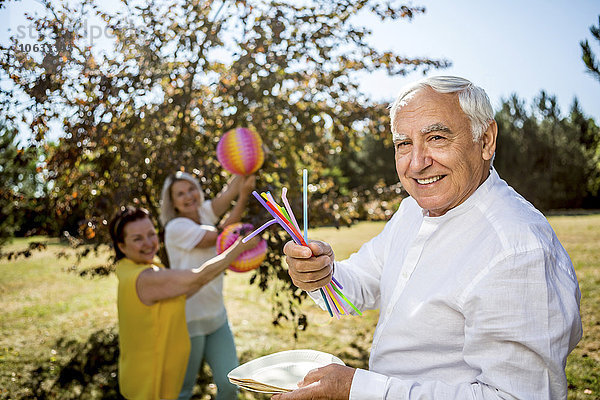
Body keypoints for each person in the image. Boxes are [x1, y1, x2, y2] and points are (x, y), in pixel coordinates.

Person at [279, 76, 582, 400]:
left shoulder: (516, 250)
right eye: (403, 144)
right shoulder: (412, 210)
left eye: (436, 137)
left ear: (486, 139)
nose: (417, 163)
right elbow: (363, 282)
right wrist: (321, 273)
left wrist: (356, 388)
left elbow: (515, 396)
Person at [109, 206, 259, 400]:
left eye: (151, 234)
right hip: (150, 381)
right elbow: (197, 278)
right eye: (137, 239)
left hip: (148, 372)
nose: (148, 243)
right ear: (121, 246)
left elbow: (185, 290)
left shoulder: (130, 268)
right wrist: (239, 247)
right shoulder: (145, 277)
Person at [160, 171, 256, 400]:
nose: (188, 196)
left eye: (191, 189)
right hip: (187, 323)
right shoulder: (176, 227)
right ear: (172, 202)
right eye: (180, 194)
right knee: (182, 392)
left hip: (216, 318)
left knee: (230, 383)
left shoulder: (203, 212)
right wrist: (243, 197)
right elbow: (221, 236)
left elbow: (228, 191)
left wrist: (245, 169)